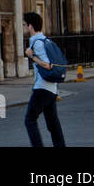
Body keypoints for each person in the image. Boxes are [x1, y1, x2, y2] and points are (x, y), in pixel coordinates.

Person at [22, 12, 66, 147]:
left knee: (29, 120)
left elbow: (47, 65)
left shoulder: (37, 43)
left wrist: (32, 56)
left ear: (30, 26)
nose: (23, 27)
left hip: (42, 88)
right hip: (52, 89)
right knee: (53, 124)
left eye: (24, 25)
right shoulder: (46, 40)